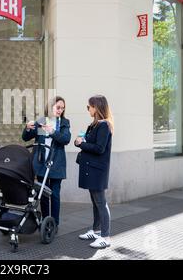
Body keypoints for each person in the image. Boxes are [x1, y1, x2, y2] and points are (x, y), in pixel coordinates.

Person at [22, 96, 71, 231]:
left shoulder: (64, 123)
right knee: (43, 193)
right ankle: (45, 220)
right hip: (41, 162)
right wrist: (27, 128)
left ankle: (54, 223)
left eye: (62, 108)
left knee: (54, 194)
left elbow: (66, 139)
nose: (60, 110)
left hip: (56, 163)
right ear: (50, 107)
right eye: (58, 107)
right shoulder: (42, 121)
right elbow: (26, 138)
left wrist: (53, 132)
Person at [75, 95, 114, 249]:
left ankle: (105, 236)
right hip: (91, 169)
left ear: (96, 107)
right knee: (95, 202)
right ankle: (96, 230)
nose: (88, 109)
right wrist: (80, 142)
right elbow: (87, 142)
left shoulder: (104, 125)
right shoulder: (94, 125)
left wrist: (82, 144)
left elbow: (99, 148)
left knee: (101, 202)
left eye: (89, 106)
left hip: (98, 171)